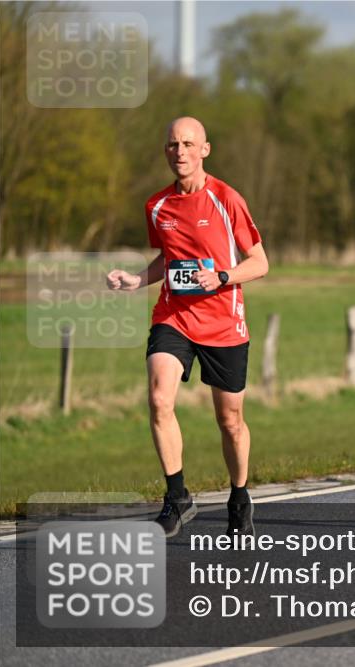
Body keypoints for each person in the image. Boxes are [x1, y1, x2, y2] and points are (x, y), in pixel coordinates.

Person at [106, 117, 268, 537]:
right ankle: (177, 497)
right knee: (160, 399)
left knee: (230, 420)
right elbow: (167, 260)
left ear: (204, 150)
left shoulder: (227, 199)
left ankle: (239, 495)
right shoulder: (157, 206)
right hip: (173, 317)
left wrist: (224, 277)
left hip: (223, 323)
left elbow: (260, 262)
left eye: (188, 144)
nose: (179, 151)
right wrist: (136, 280)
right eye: (173, 145)